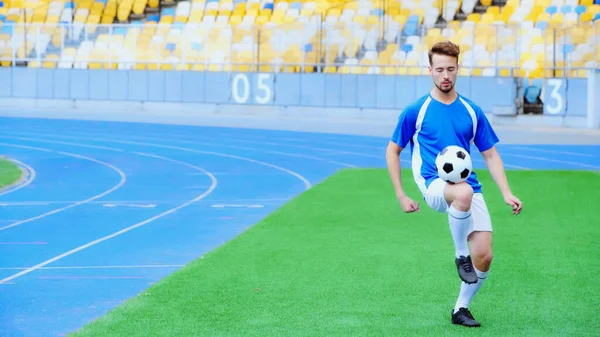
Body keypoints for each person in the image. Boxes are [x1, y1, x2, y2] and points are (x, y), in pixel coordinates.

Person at [385, 41, 523, 328]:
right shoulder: (416, 110)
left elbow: (491, 153)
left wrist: (506, 192)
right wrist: (401, 194)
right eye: (439, 69)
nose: (445, 75)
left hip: (468, 186)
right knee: (462, 193)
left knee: (484, 255)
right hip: (433, 185)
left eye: (450, 69)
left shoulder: (472, 111)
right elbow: (393, 150)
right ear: (430, 70)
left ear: (458, 69)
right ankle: (460, 255)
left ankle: (460, 309)